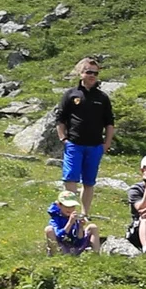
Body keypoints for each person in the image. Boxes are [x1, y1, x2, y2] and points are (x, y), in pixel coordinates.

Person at [54, 57, 115, 216]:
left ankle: (84, 214)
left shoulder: (102, 98)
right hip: (74, 144)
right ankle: (69, 212)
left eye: (95, 73)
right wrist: (63, 139)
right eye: (88, 72)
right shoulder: (70, 94)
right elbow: (60, 119)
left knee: (89, 182)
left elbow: (109, 122)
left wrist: (106, 144)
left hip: (95, 146)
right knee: (71, 179)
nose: (92, 75)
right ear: (81, 73)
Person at [45, 190, 100, 255]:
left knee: (93, 227)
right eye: (66, 206)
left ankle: (95, 253)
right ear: (59, 205)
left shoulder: (74, 217)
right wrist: (70, 223)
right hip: (61, 246)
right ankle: (56, 255)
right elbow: (60, 237)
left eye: (72, 206)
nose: (69, 209)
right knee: (49, 229)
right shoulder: (55, 219)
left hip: (74, 246)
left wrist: (80, 227)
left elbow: (79, 241)